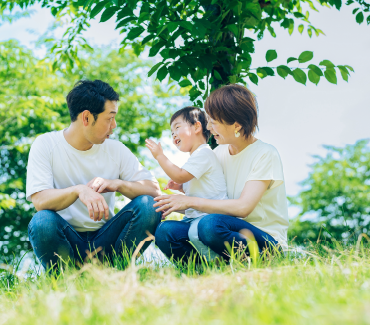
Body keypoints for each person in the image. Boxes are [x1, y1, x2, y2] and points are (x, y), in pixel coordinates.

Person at [25, 79, 162, 270]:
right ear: (86, 118)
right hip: (66, 238)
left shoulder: (116, 150)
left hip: (107, 240)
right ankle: (65, 278)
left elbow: (155, 192)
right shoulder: (45, 144)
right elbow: (40, 201)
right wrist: (78, 191)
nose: (114, 126)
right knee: (42, 221)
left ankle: (117, 272)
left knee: (149, 206)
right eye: (109, 118)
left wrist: (118, 184)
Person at [154, 84, 289, 261]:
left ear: (237, 125)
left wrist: (189, 201)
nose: (208, 127)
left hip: (264, 239)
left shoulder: (265, 154)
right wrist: (183, 193)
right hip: (223, 230)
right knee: (165, 231)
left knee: (209, 225)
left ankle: (265, 259)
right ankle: (205, 271)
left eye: (213, 122)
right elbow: (214, 197)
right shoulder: (218, 153)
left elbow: (242, 208)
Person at [145, 107, 227, 261]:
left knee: (198, 230)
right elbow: (198, 193)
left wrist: (159, 156)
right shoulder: (195, 158)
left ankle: (217, 261)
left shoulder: (204, 153)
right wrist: (182, 189)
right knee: (164, 230)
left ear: (197, 127)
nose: (174, 134)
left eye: (177, 127)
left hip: (210, 223)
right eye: (171, 132)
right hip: (193, 222)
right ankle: (197, 268)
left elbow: (179, 175)